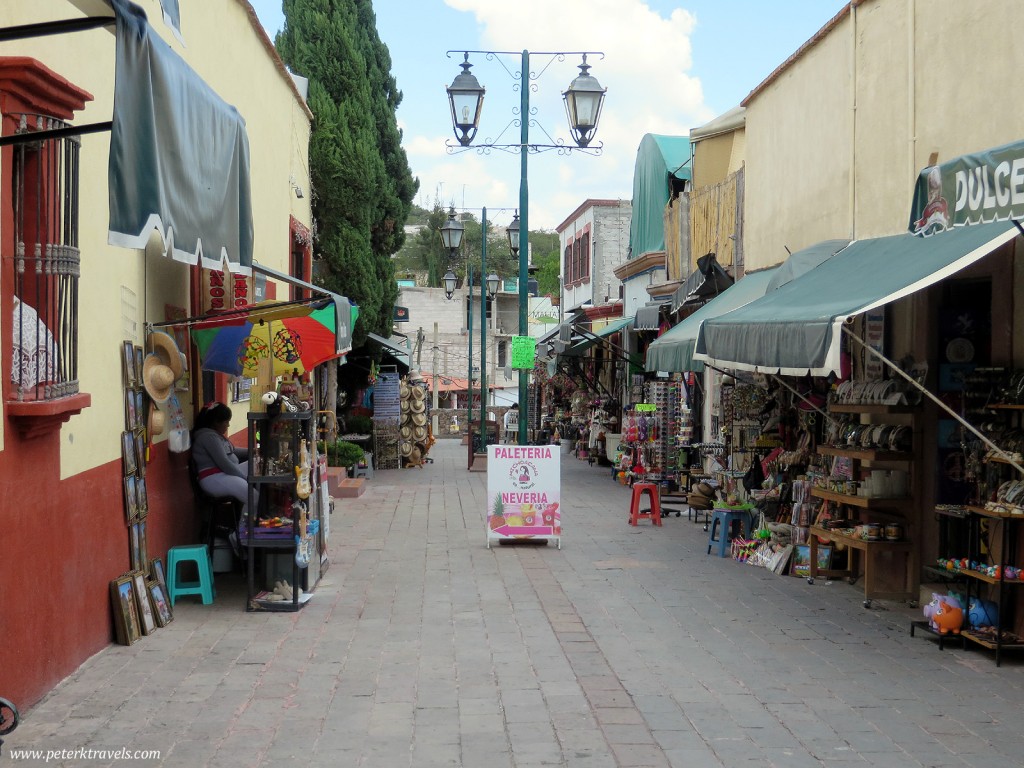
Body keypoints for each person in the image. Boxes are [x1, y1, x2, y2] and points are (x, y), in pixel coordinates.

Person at [192, 402, 251, 522]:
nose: (228, 425)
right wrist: (246, 478)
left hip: (224, 474)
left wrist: (253, 451)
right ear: (216, 422)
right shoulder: (208, 437)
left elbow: (232, 451)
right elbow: (225, 464)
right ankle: (242, 536)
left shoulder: (215, 435)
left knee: (255, 464)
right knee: (253, 497)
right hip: (214, 478)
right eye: (226, 422)